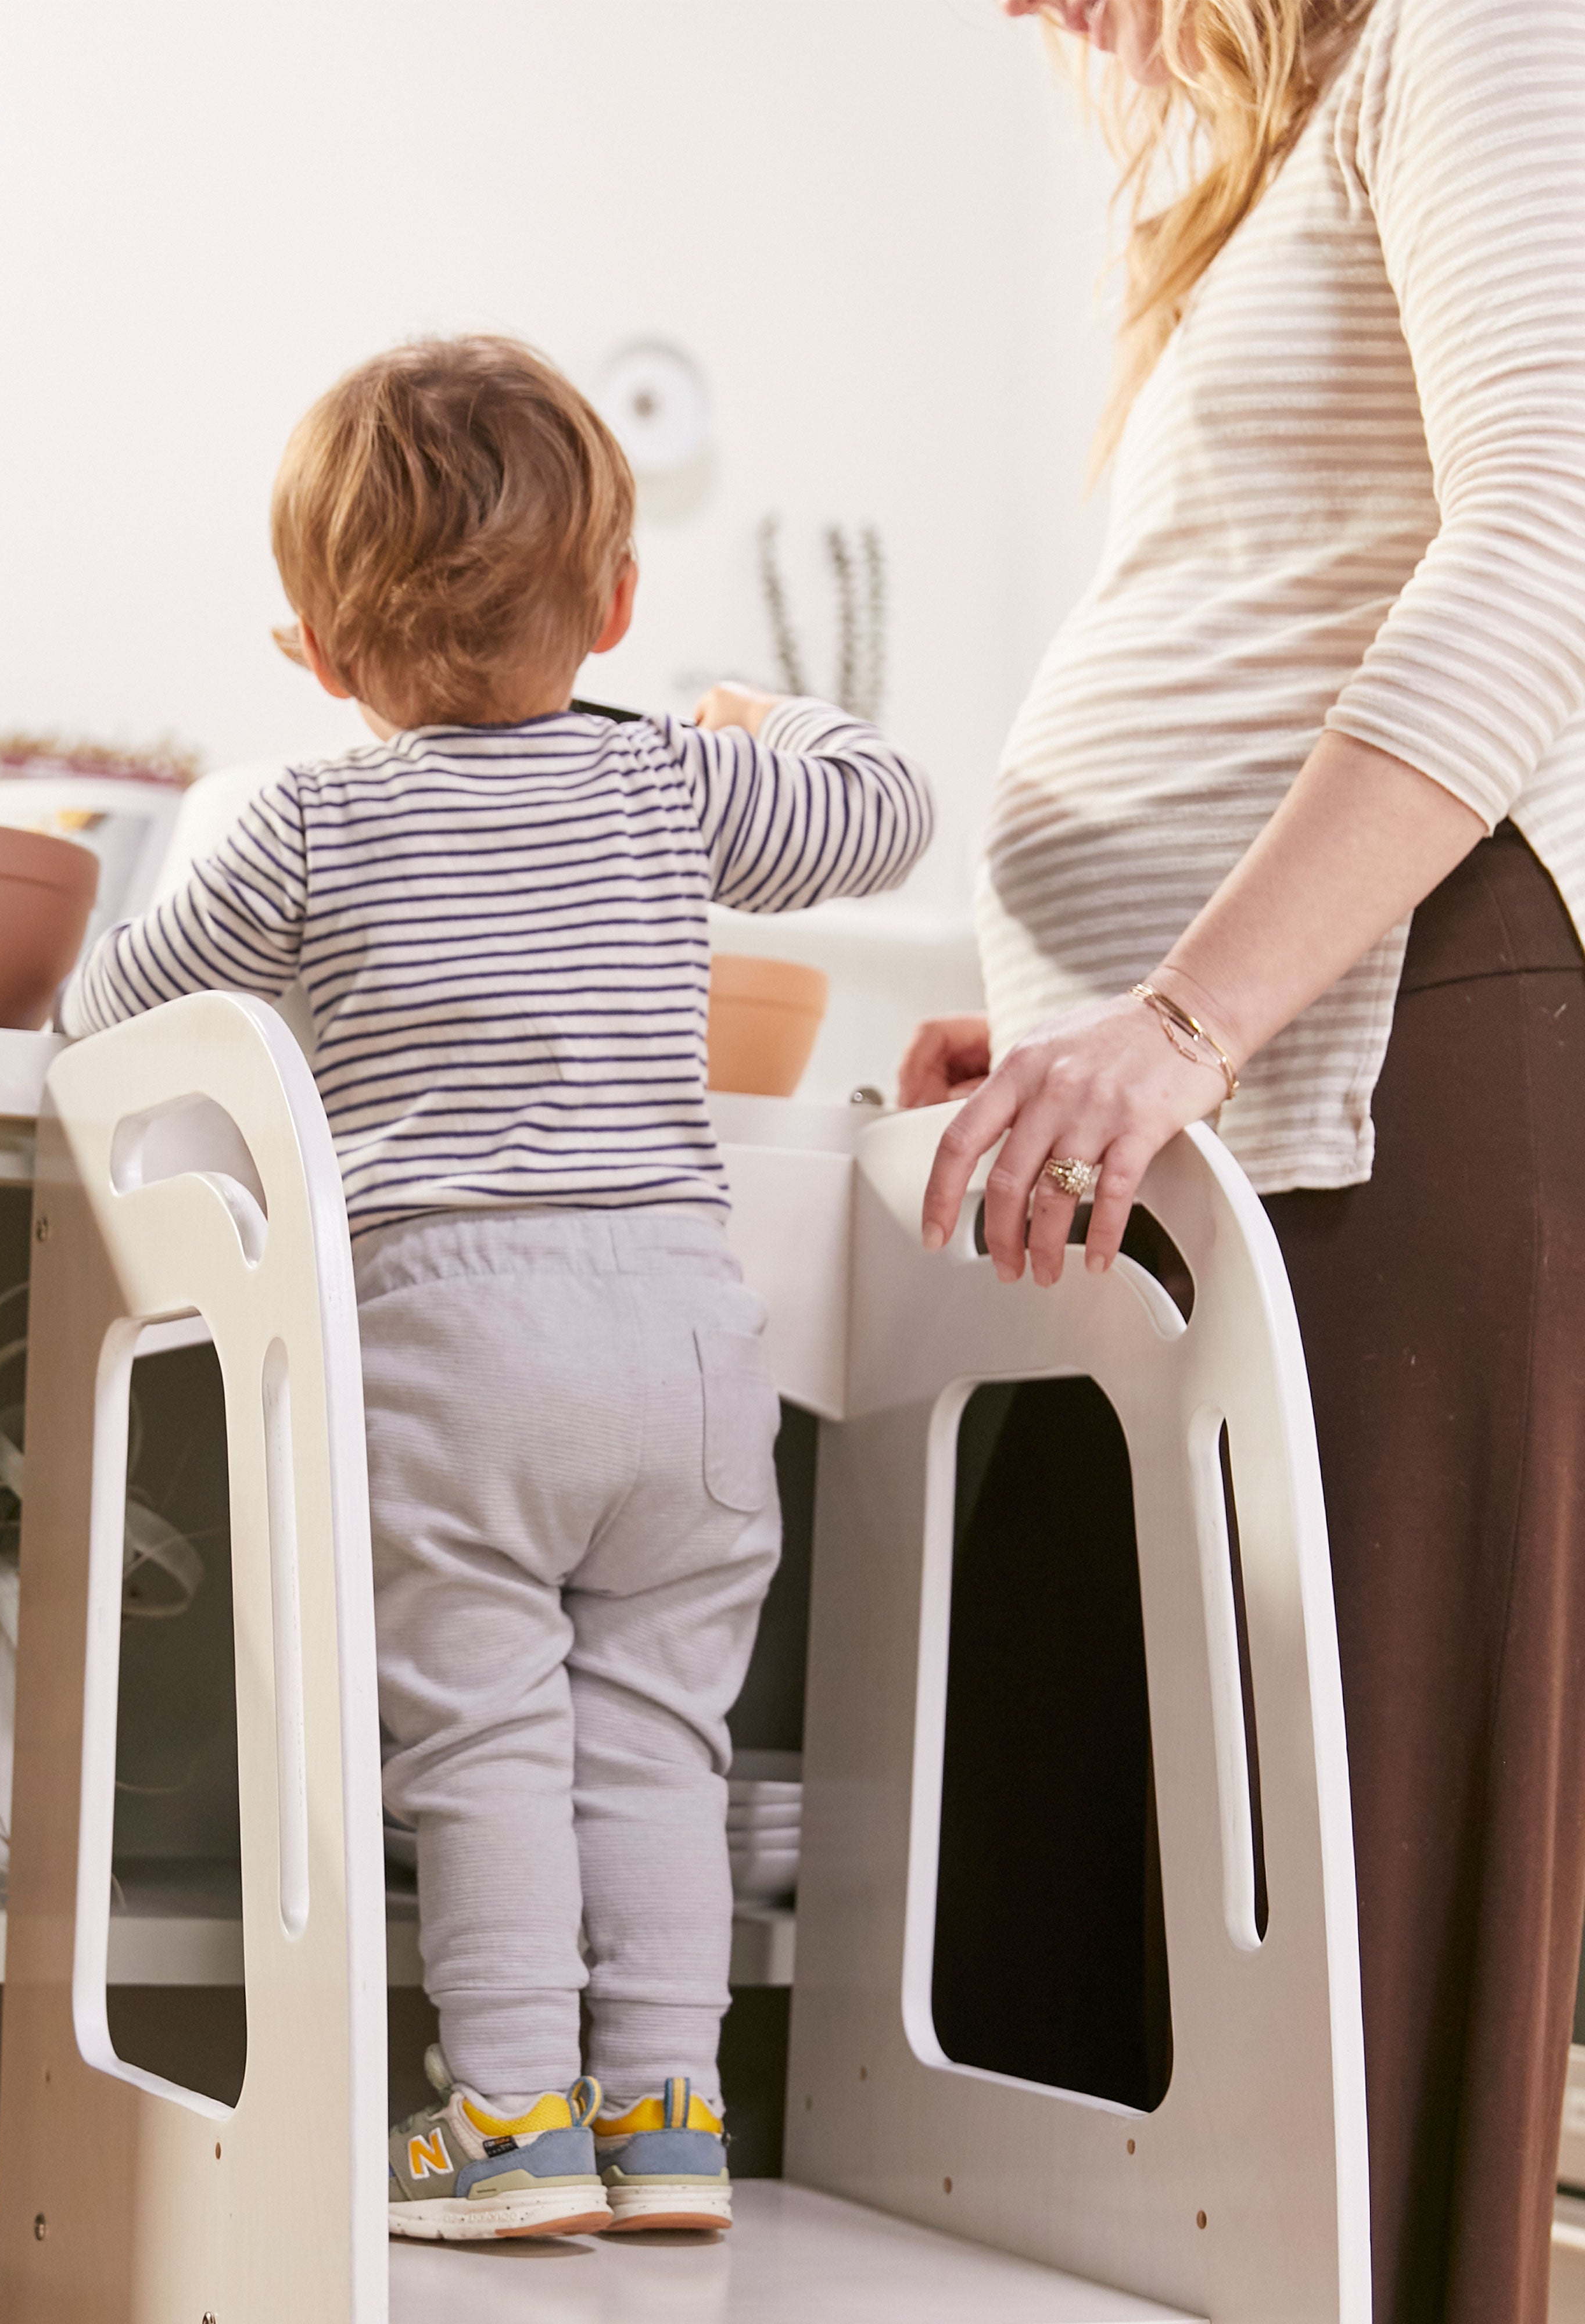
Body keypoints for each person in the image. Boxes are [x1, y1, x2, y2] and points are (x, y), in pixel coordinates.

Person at [58, 334, 933, 2240]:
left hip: (459, 1340)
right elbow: (887, 804)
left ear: (309, 647)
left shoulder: (301, 824)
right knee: (659, 1744)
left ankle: (515, 2123)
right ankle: (675, 2119)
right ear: (615, 605)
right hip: (684, 1335)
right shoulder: (672, 789)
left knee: (485, 1744)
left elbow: (106, 1017)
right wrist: (765, 715)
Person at [906, 3, 1585, 2317]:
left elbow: (1554, 547)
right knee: (1064, 1984)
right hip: (1208, 1126)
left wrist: (1185, 1011)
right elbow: (1275, 595)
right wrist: (1075, 1024)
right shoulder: (1271, 149)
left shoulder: (1483, 32)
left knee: (1336, 1991)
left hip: (1402, 1067)